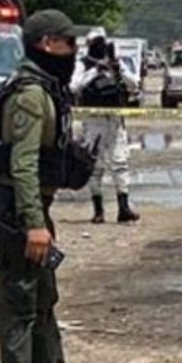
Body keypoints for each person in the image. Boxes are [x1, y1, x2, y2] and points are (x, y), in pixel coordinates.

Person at [0, 9, 104, 363]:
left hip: (36, 207)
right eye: (68, 42)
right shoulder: (30, 94)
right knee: (19, 302)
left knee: (43, 299)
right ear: (47, 43)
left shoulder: (47, 88)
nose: (74, 50)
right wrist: (34, 224)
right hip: (19, 210)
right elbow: (23, 165)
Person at [71, 28, 141, 224]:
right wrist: (95, 70)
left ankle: (124, 208)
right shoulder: (83, 64)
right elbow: (74, 86)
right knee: (94, 164)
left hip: (115, 119)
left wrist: (117, 69)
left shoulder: (115, 63)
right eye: (96, 43)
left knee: (120, 162)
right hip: (93, 120)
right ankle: (98, 210)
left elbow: (134, 84)